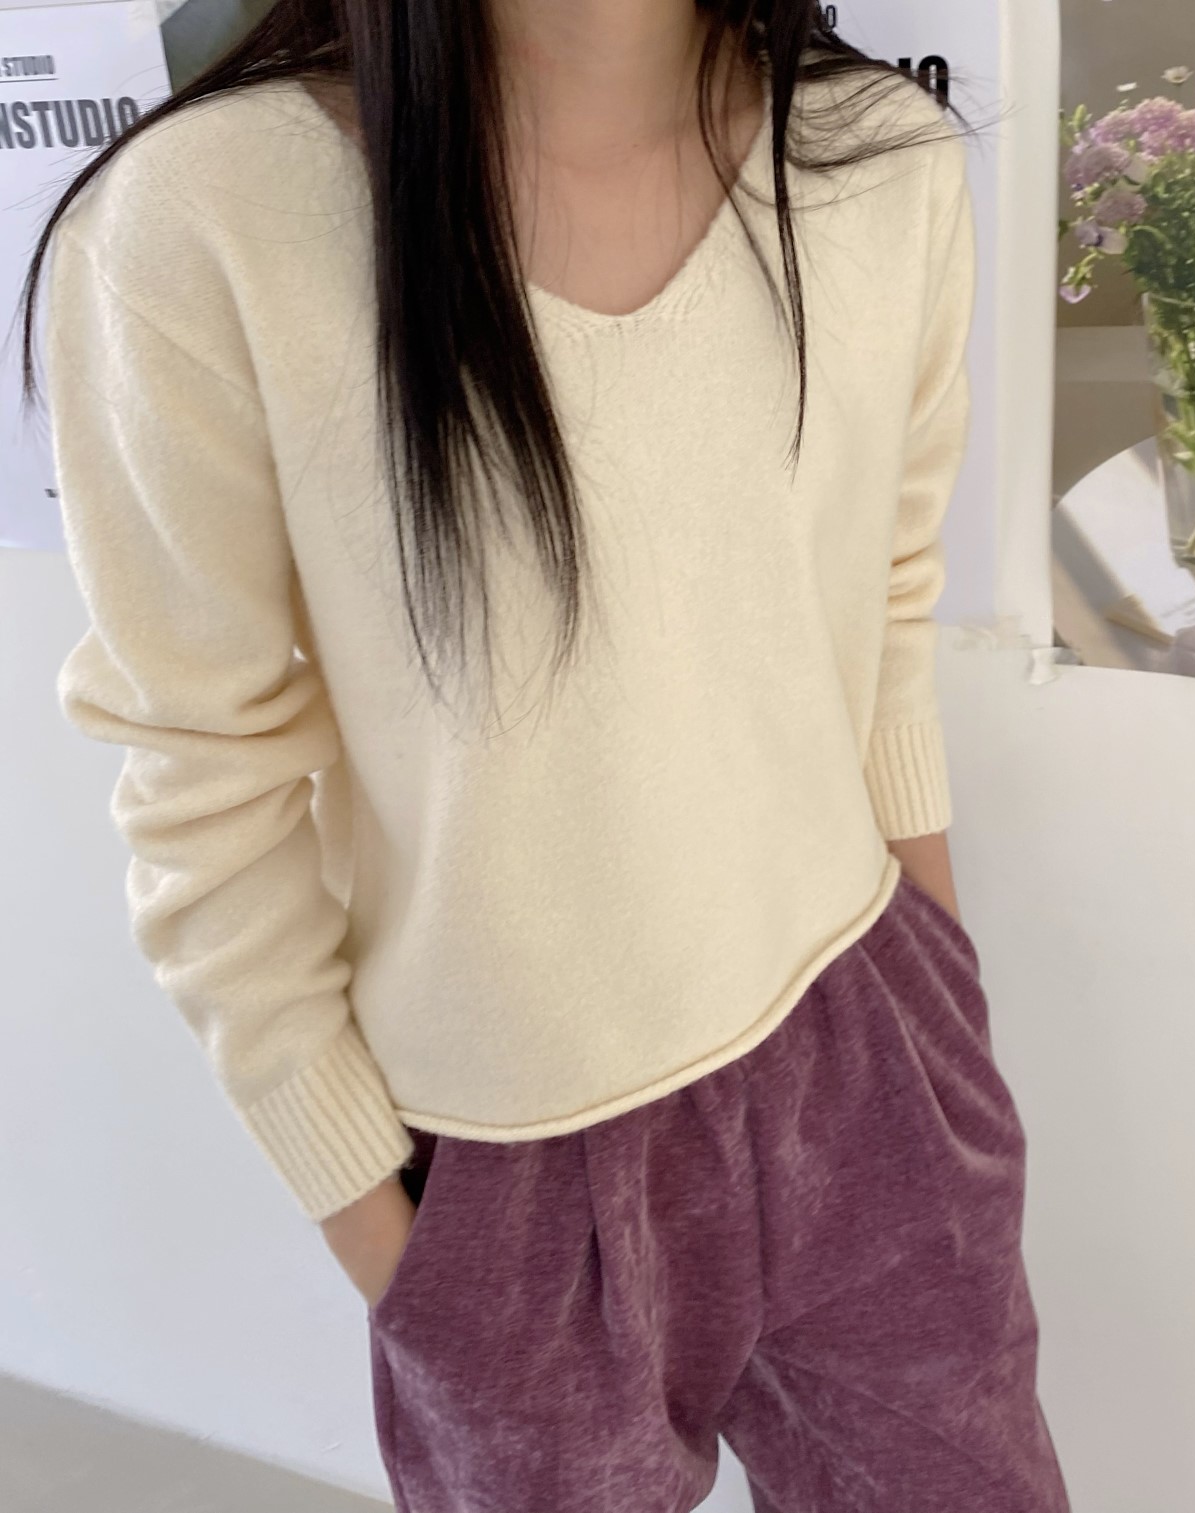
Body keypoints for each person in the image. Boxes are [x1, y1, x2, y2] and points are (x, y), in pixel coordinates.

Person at [21, 1, 1072, 1508]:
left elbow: (886, 605)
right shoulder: (206, 220)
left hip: (866, 1044)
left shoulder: (879, 159)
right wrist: (390, 1236)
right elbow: (203, 775)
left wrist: (938, 992)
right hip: (506, 1155)